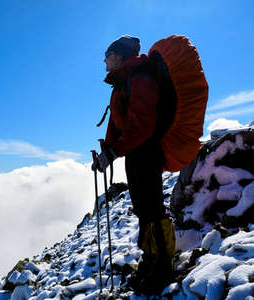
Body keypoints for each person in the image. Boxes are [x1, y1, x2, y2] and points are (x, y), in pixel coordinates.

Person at [92, 35, 176, 295]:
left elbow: (141, 125)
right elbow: (117, 126)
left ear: (119, 55)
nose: (104, 60)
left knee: (151, 206)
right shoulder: (122, 83)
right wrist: (106, 154)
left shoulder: (139, 77)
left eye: (108, 54)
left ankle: (163, 263)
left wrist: (114, 152)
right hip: (134, 153)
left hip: (147, 151)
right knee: (142, 207)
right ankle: (151, 257)